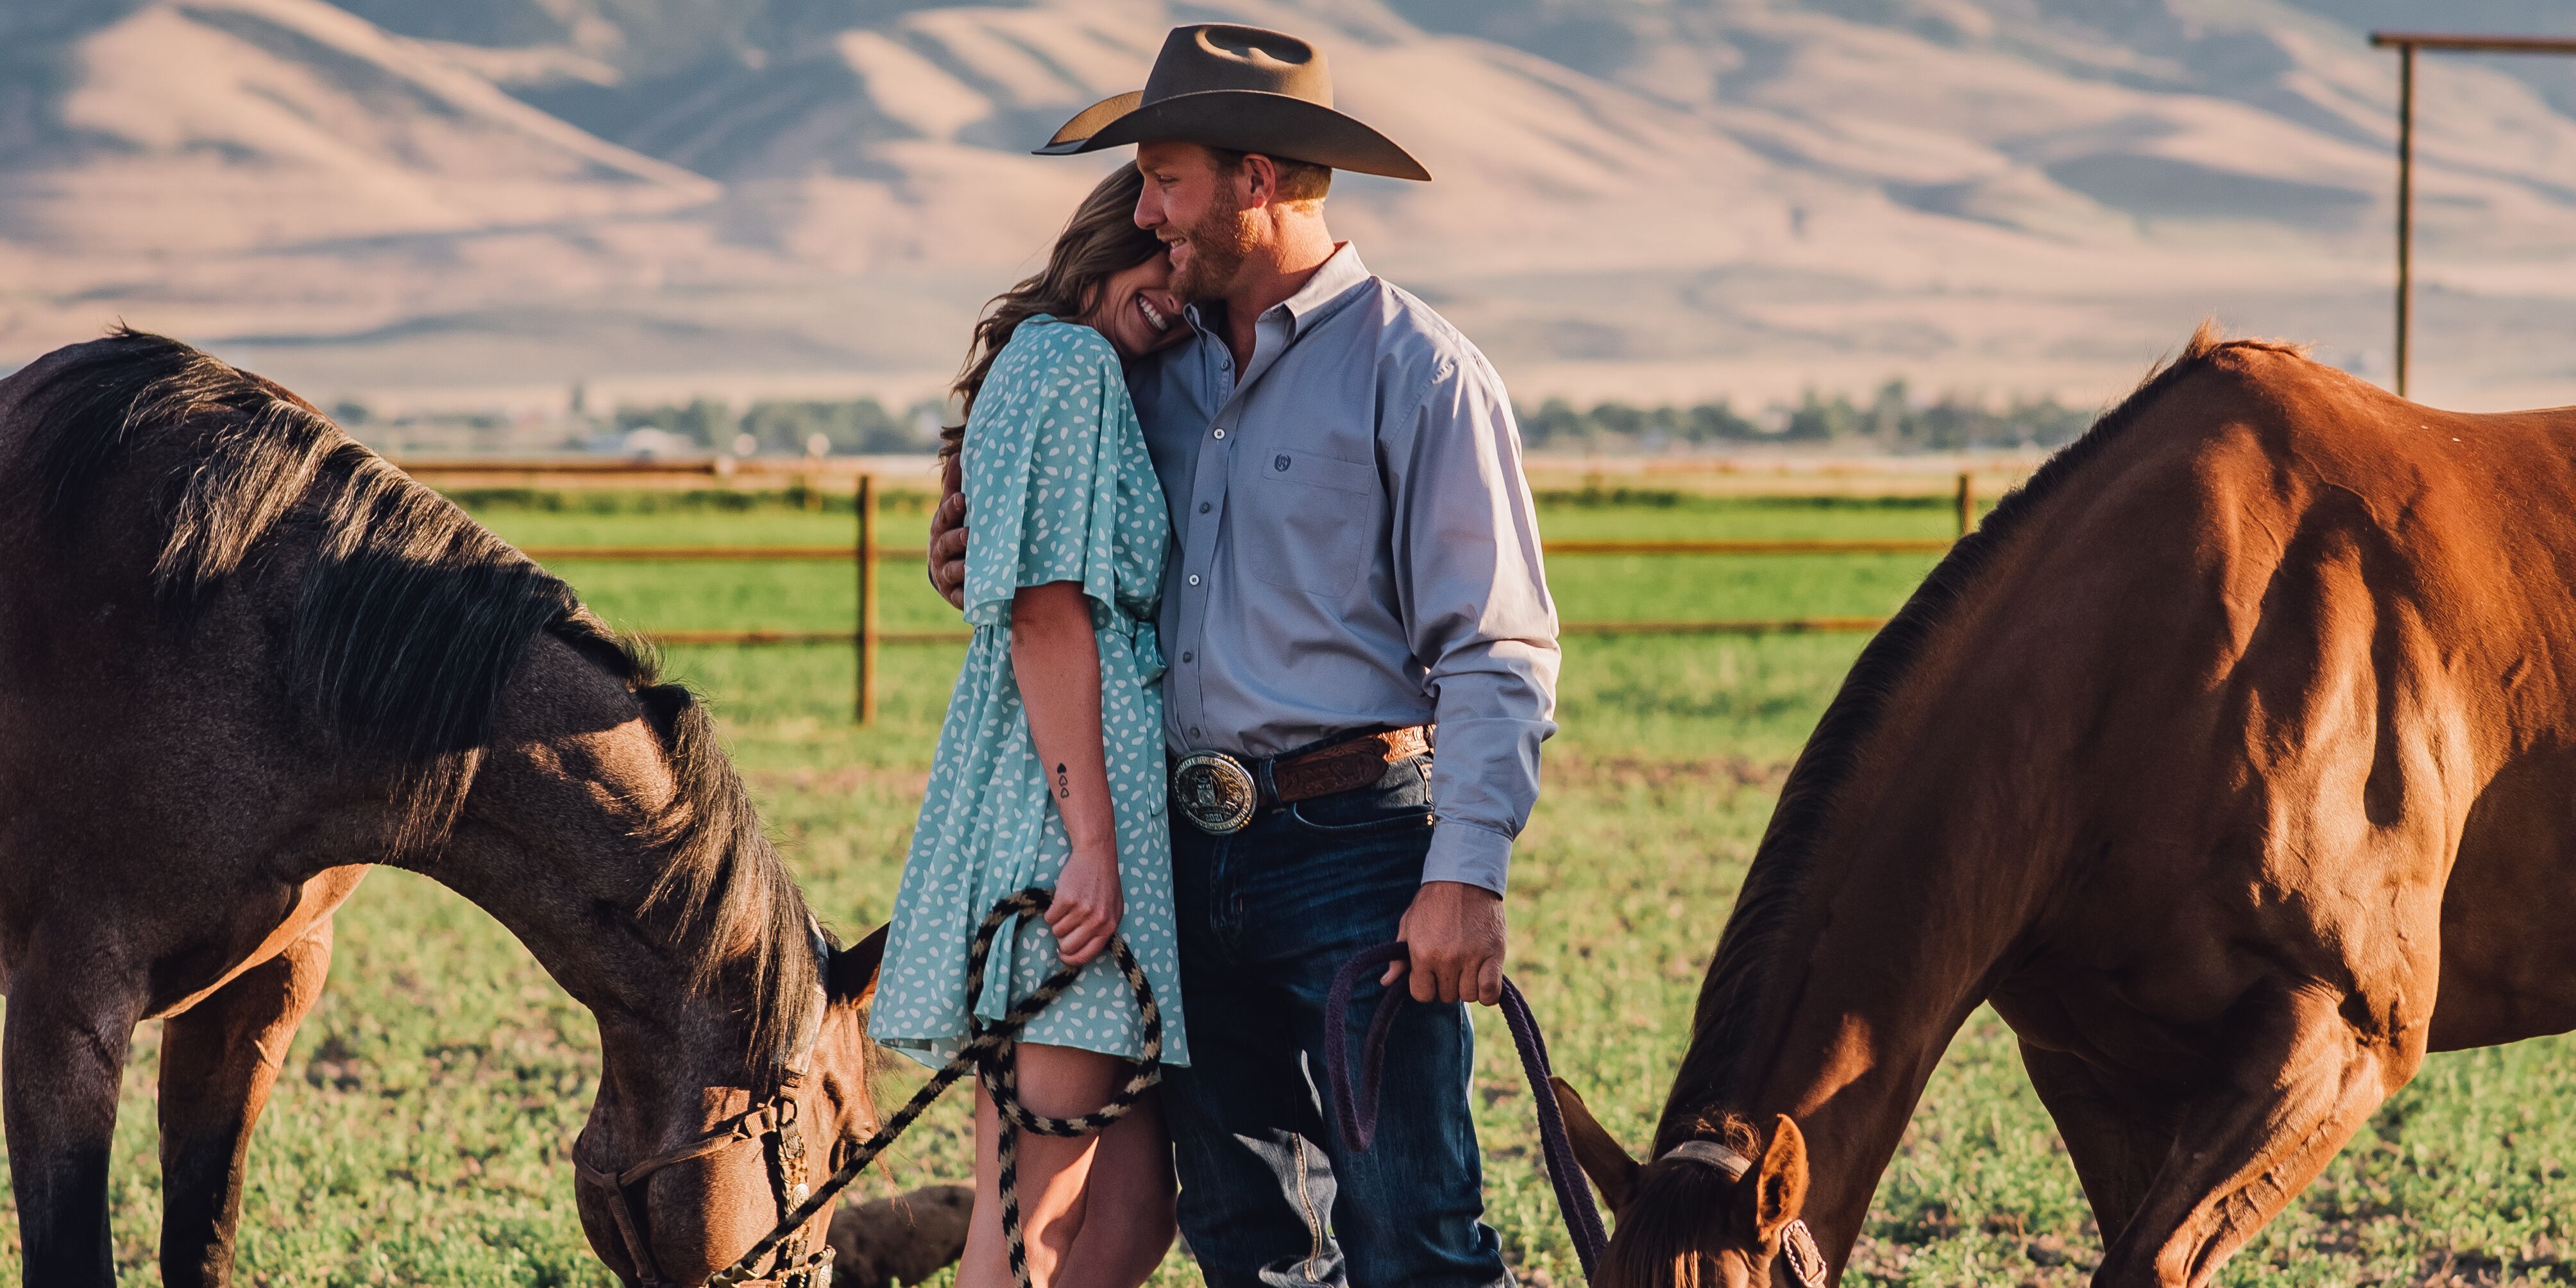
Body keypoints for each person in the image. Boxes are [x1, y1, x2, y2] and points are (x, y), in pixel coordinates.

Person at [929, 23, 1561, 1288]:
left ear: (1257, 178)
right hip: (1181, 849)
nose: (1146, 211)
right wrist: (972, 550)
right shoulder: (1144, 365)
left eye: (1166, 177)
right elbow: (1070, 574)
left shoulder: (1417, 370)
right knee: (1245, 1237)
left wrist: (1467, 873)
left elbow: (1494, 647)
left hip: (1357, 850)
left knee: (1410, 1230)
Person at [870, 163, 1193, 1288]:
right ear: (1106, 236)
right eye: (1156, 254)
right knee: (1030, 1219)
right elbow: (1050, 615)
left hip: (1059, 794)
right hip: (1065, 814)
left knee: (1135, 1202)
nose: (1173, 286)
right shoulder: (1070, 363)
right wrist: (1093, 848)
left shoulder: (1068, 366)